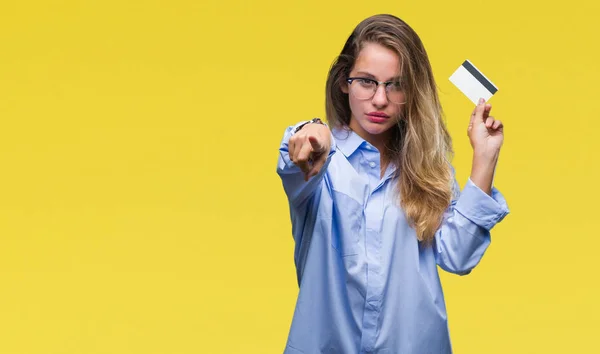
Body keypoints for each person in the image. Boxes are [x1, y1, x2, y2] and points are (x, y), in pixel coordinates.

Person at [276, 14, 509, 354]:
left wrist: (484, 159)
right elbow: (296, 159)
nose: (381, 99)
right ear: (344, 82)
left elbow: (459, 256)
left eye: (396, 84)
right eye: (367, 82)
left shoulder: (429, 170)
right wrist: (311, 131)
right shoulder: (320, 161)